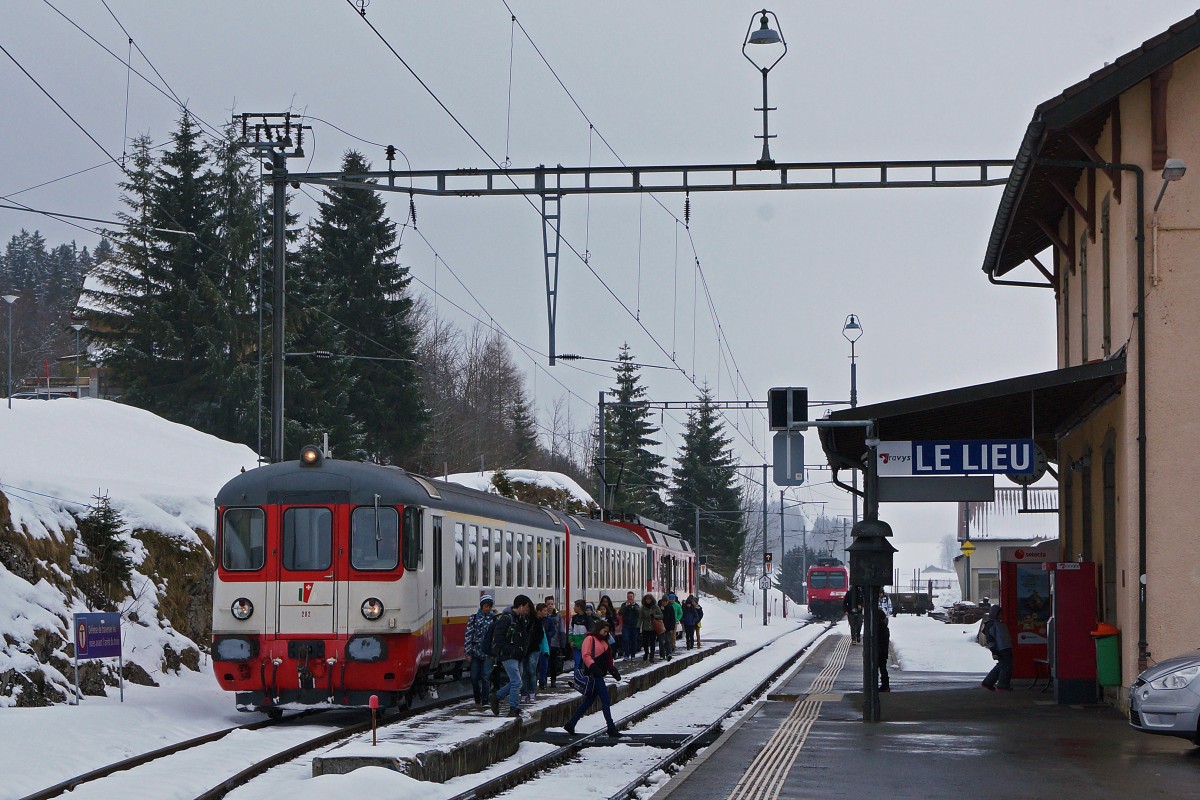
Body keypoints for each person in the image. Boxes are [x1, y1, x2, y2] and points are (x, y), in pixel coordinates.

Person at [563, 620, 622, 738]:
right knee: (605, 699)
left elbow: (608, 659)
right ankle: (611, 727)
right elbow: (586, 655)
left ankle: (571, 723)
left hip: (599, 674)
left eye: (607, 632)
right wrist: (593, 666)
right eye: (604, 631)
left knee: (589, 701)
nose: (606, 634)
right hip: (593, 674)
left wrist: (613, 670)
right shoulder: (589, 639)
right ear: (598, 628)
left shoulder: (604, 642)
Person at [490, 594, 534, 717]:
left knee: (516, 682)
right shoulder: (507, 619)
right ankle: (513, 708)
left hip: (517, 655)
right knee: (516, 681)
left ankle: (496, 697)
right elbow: (498, 639)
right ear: (520, 606)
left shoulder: (519, 619)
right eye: (526, 608)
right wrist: (511, 650)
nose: (527, 610)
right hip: (508, 655)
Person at [464, 594, 497, 706]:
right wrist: (467, 652)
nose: (488, 608)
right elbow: (468, 635)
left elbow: (496, 636)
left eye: (489, 606)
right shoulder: (473, 618)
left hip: (488, 654)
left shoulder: (494, 619)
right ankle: (477, 695)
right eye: (486, 606)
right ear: (482, 606)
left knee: (486, 677)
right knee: (474, 677)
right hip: (476, 652)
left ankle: (485, 700)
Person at [981, 605, 1013, 692]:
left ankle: (988, 682)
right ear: (996, 614)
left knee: (1001, 666)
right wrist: (993, 650)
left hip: (1005, 647)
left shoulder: (998, 623)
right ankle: (1002, 685)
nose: (1001, 615)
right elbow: (990, 639)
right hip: (1001, 648)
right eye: (1000, 613)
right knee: (1006, 667)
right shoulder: (992, 625)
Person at [521, 602, 548, 702]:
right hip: (524, 649)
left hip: (534, 648)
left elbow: (541, 634)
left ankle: (531, 692)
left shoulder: (536, 621)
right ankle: (524, 693)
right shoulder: (520, 619)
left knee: (531, 670)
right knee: (524, 672)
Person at [542, 595, 565, 687]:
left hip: (555, 643)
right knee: (544, 662)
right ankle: (543, 680)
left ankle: (553, 680)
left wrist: (562, 644)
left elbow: (561, 630)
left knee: (553, 662)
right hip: (545, 642)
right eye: (548, 604)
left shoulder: (558, 616)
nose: (550, 606)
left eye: (552, 604)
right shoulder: (543, 616)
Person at [639, 593, 662, 662]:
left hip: (653, 627)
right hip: (645, 627)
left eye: (649, 599)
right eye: (647, 599)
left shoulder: (655, 607)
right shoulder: (643, 607)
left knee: (652, 642)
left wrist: (654, 616)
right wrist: (638, 626)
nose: (648, 600)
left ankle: (652, 656)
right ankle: (646, 653)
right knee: (645, 642)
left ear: (652, 600)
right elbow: (640, 617)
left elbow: (661, 615)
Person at [619, 591, 641, 659]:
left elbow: (638, 612)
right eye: (628, 597)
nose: (630, 598)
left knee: (633, 640)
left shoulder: (636, 605)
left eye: (631, 596)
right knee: (625, 639)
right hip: (626, 625)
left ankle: (633, 655)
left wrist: (633, 606)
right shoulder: (624, 605)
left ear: (633, 597)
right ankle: (626, 654)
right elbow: (620, 612)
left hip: (634, 626)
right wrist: (626, 606)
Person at [569, 600, 591, 668]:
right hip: (575, 644)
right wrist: (570, 641)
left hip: (585, 645)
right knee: (577, 663)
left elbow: (590, 631)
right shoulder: (574, 618)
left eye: (575, 606)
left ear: (579, 607)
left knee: (584, 663)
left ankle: (583, 676)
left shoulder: (587, 619)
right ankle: (577, 677)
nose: (574, 608)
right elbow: (570, 630)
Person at [875, 604, 891, 692]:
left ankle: (879, 685)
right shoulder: (885, 627)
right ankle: (885, 685)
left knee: (876, 669)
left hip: (878, 651)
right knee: (883, 668)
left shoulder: (878, 627)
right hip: (883, 651)